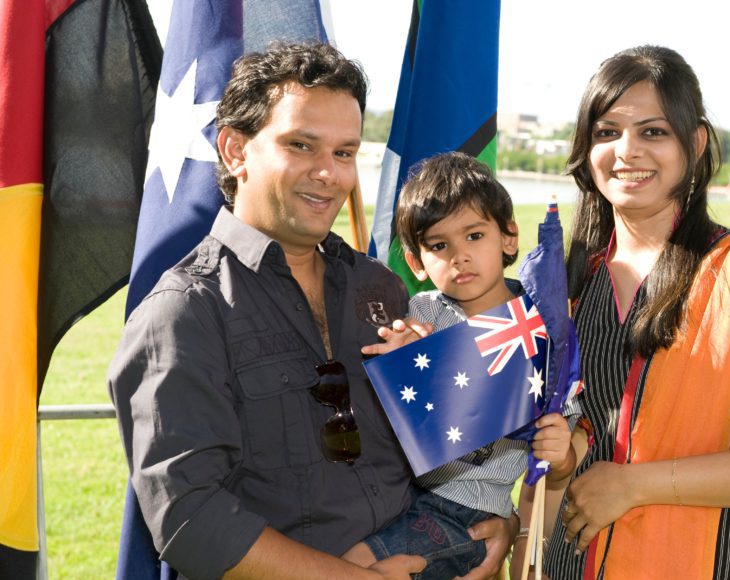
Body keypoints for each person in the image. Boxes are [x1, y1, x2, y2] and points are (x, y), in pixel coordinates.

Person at [108, 43, 514, 580]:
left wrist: (494, 524)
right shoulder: (184, 311)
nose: (329, 174)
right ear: (234, 150)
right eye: (302, 145)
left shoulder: (383, 289)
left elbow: (447, 455)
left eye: (345, 153)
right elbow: (190, 519)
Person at [517, 46, 730, 579]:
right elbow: (555, 447)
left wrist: (633, 484)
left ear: (695, 143)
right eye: (606, 132)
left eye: (653, 131)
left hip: (720, 561)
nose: (626, 151)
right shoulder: (569, 286)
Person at [346, 152, 579, 579]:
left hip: (468, 510)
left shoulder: (540, 328)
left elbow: (560, 447)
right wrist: (400, 359)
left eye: (474, 236)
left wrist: (560, 456)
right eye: (439, 245)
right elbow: (393, 414)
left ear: (509, 237)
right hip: (400, 493)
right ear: (417, 262)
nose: (459, 256)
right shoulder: (422, 314)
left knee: (353, 567)